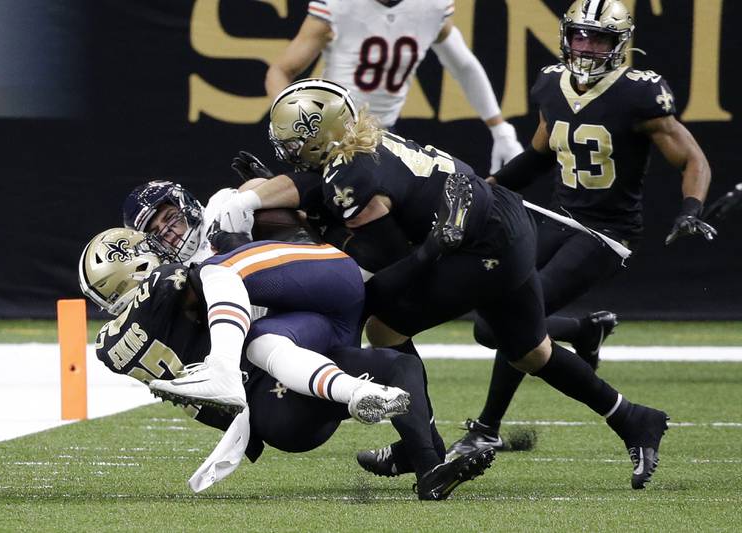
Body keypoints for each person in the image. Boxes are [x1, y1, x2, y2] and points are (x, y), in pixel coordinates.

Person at [216, 76, 670, 490]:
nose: (289, 153)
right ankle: (634, 418)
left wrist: (427, 250)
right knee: (533, 352)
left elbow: (387, 260)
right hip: (503, 223)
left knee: (380, 324)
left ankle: (422, 446)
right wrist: (269, 194)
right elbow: (320, 189)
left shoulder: (350, 175)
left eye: (295, 143)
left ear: (320, 136)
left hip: (476, 249)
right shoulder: (361, 148)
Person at [448, 0, 716, 453]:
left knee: (512, 323)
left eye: (599, 38)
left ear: (619, 44)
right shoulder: (552, 83)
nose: (586, 46)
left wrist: (691, 209)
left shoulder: (639, 94)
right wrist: (484, 186)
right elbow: (537, 156)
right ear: (566, 36)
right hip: (558, 218)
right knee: (487, 326)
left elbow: (692, 158)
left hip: (607, 235)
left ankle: (485, 430)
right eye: (579, 35)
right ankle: (582, 330)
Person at [77, 227, 494, 500]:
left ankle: (427, 469)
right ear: (131, 265)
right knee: (224, 278)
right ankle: (361, 397)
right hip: (274, 375)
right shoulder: (161, 289)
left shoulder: (110, 348)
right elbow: (208, 282)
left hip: (273, 413)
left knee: (394, 368)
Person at [265, 0, 523, 174]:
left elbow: (464, 66)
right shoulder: (339, 7)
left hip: (384, 137)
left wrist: (500, 128)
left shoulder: (431, 7)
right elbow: (280, 71)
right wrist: (296, 123)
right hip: (333, 137)